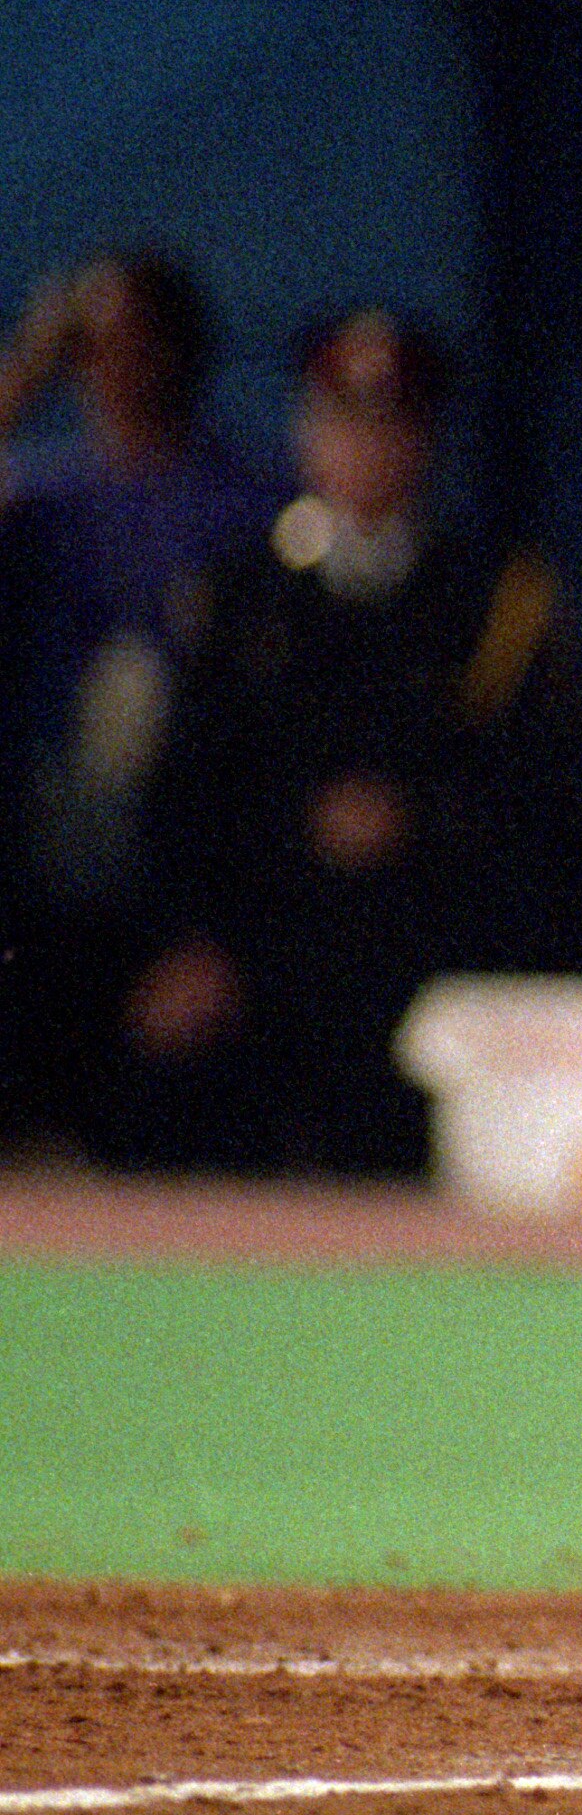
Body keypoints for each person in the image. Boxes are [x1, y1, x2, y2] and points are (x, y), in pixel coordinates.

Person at [102, 312, 582, 1175]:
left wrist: (415, 819)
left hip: (427, 953)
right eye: (338, 420)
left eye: (389, 424)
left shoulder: (494, 600)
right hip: (259, 943)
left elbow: (535, 791)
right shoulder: (239, 592)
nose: (363, 448)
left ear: (425, 439)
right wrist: (196, 939)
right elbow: (183, 791)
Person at [0, 254, 274, 1150]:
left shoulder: (249, 503)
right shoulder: (42, 496)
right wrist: (27, 366)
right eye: (93, 349)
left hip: (197, 854)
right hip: (48, 839)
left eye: (138, 345)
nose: (116, 371)